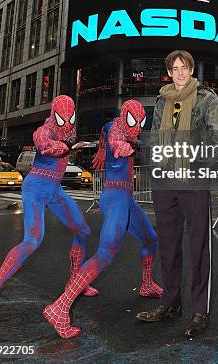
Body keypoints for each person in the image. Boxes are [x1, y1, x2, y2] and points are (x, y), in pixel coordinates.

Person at [0, 95, 97, 330]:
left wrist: (77, 145)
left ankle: (74, 284)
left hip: (55, 189)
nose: (67, 122)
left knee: (83, 231)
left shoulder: (68, 132)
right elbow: (46, 146)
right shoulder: (43, 130)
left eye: (71, 116)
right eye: (63, 117)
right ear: (54, 114)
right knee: (32, 240)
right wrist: (71, 146)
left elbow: (65, 145)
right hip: (37, 187)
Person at [43, 100, 162, 338]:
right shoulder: (117, 130)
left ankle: (147, 284)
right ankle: (60, 306)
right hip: (115, 197)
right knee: (106, 252)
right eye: (133, 121)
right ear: (124, 116)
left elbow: (107, 132)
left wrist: (101, 149)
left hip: (126, 197)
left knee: (150, 239)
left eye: (140, 122)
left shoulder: (114, 128)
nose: (136, 127)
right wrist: (119, 146)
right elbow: (116, 137)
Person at [137, 50, 218, 337]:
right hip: (166, 182)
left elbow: (216, 138)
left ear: (191, 69)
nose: (179, 73)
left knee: (199, 247)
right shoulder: (162, 100)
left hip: (194, 180)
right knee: (168, 245)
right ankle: (170, 303)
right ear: (169, 72)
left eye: (183, 67)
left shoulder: (206, 98)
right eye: (174, 69)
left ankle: (200, 311)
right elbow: (154, 136)